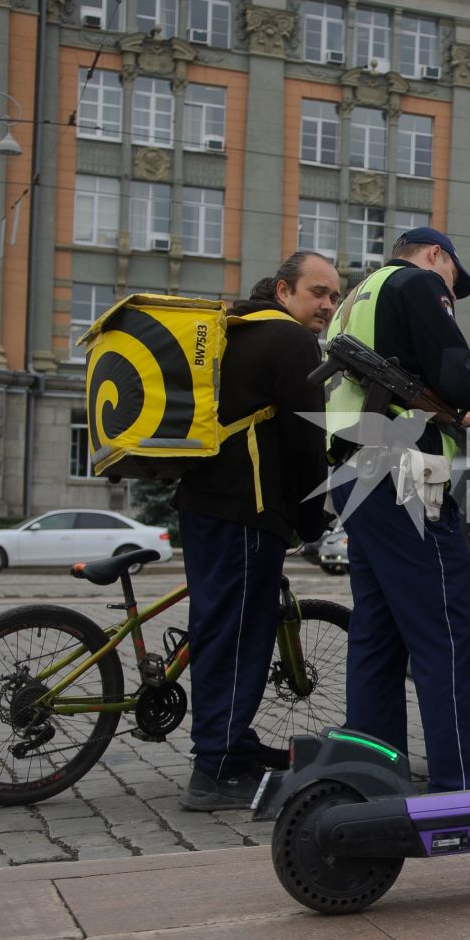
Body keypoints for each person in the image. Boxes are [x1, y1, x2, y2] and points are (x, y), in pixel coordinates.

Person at [324, 227, 470, 792]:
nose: (451, 291)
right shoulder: (419, 282)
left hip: (356, 468)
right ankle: (456, 785)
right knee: (444, 626)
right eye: (453, 277)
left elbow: (402, 382)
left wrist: (453, 416)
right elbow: (453, 367)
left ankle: (371, 775)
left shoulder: (357, 298)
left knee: (378, 631)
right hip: (405, 472)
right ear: (434, 255)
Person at [175, 249, 340, 810]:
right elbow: (306, 439)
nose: (327, 304)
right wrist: (313, 518)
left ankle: (232, 745)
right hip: (247, 509)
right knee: (239, 636)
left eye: (333, 296)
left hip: (204, 505)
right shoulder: (291, 341)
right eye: (317, 292)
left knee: (219, 627)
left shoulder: (232, 329)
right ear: (284, 291)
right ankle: (216, 770)